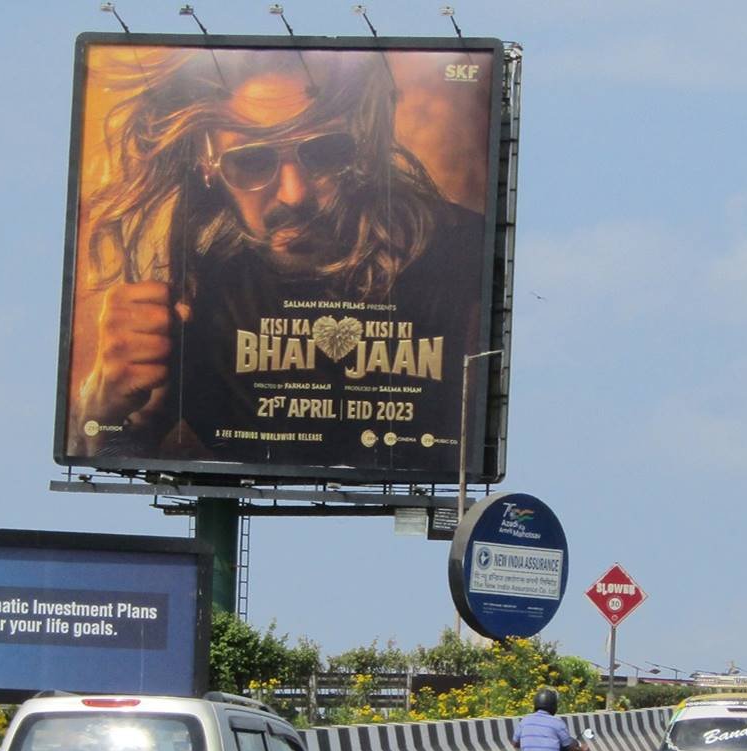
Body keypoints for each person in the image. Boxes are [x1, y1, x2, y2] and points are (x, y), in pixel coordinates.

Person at [66, 46, 486, 465]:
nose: (295, 194)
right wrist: (102, 410)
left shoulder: (465, 258)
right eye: (251, 161)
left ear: (361, 145)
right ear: (207, 165)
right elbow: (113, 460)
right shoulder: (189, 283)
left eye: (323, 152)